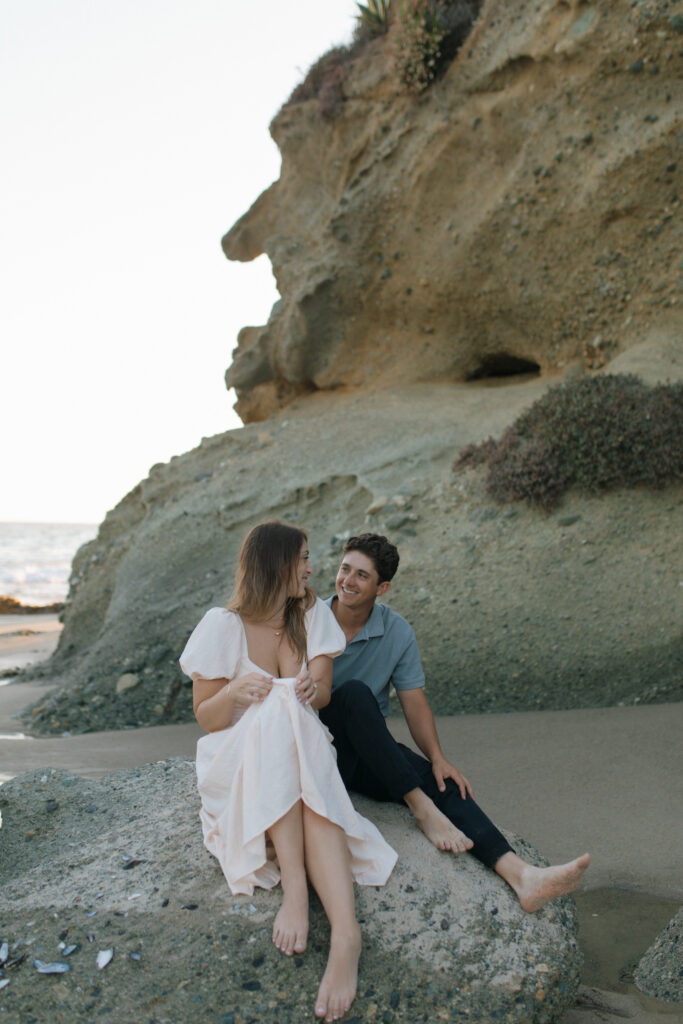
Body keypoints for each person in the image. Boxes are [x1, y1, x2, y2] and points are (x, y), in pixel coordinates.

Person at [179, 521, 396, 1023]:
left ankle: (346, 935)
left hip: (301, 752)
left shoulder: (311, 615)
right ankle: (303, 895)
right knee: (278, 718)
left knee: (290, 716)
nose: (312, 568)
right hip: (237, 759)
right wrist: (234, 692)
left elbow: (321, 692)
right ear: (277, 564)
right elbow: (207, 719)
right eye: (303, 558)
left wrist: (307, 692)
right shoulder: (222, 624)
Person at [320, 532, 590, 913]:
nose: (347, 580)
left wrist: (438, 757)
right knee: (354, 694)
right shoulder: (308, 617)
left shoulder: (397, 631)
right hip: (315, 749)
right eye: (345, 568)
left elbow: (414, 703)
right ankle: (421, 809)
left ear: (383, 587)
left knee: (444, 781)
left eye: (361, 575)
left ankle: (521, 876)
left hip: (363, 748)